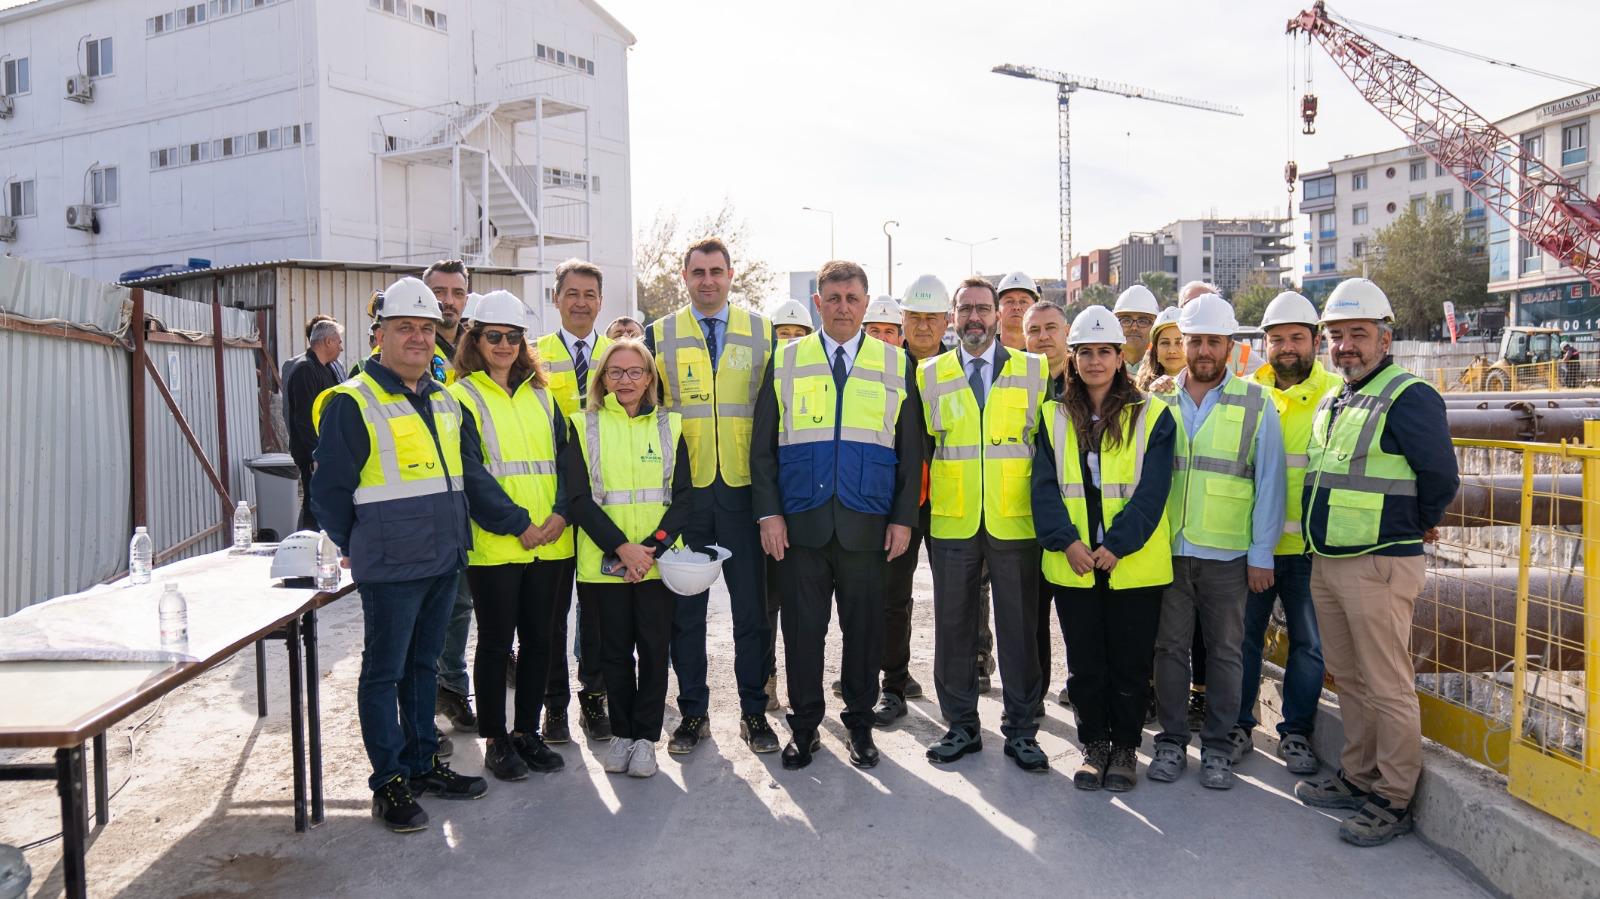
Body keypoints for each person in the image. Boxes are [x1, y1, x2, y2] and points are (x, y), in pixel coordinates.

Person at [310, 277, 545, 832]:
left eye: (425, 328)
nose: (417, 338)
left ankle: (422, 763)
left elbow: (458, 481)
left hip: (443, 559)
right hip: (391, 568)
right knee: (383, 673)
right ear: (379, 335)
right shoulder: (352, 402)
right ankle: (389, 781)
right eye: (404, 328)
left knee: (423, 670)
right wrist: (361, 545)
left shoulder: (442, 400)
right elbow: (327, 495)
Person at [1294, 278, 1458, 847]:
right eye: (1336, 336)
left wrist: (1414, 522)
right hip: (1331, 560)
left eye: (1357, 335)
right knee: (1353, 681)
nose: (1345, 346)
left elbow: (1440, 476)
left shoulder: (1408, 395)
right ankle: (1358, 776)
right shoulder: (1337, 397)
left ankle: (1392, 797)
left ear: (1384, 339)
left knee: (1387, 685)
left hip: (1379, 564)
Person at [752, 259, 923, 771]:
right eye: (834, 298)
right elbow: (763, 448)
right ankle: (804, 729)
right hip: (801, 523)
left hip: (867, 524)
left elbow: (910, 451)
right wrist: (769, 515)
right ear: (818, 303)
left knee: (865, 632)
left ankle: (860, 726)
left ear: (866, 305)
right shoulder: (785, 360)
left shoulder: (896, 363)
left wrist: (902, 518)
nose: (843, 307)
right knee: (803, 632)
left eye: (853, 298)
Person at [1146, 293, 1285, 792]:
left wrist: (1262, 553)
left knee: (1226, 653)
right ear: (1182, 344)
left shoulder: (1256, 402)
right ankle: (1169, 740)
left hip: (1228, 554)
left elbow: (1270, 484)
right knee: (1168, 649)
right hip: (1168, 550)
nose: (1203, 350)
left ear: (1229, 346)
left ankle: (1219, 746)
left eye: (1213, 342)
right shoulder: (1158, 399)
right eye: (1194, 341)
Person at [1033, 306, 1175, 791]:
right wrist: (1068, 543)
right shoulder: (1052, 415)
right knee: (1086, 664)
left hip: (1131, 565)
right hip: (1075, 563)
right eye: (1085, 352)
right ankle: (1094, 746)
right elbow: (1044, 489)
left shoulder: (1152, 414)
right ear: (1072, 359)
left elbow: (1153, 493)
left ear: (1120, 357)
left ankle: (1125, 751)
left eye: (1104, 352)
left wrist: (1115, 546)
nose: (1095, 361)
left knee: (1130, 666)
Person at [647, 237, 779, 756]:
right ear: (684, 276)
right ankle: (693, 713)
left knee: (751, 612)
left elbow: (774, 418)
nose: (707, 280)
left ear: (731, 275)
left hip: (745, 494)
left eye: (716, 271)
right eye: (698, 271)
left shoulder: (762, 332)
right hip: (688, 496)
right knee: (687, 613)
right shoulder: (659, 335)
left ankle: (753, 711)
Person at [919, 276, 1050, 771]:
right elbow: (922, 451)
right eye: (965, 309)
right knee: (953, 629)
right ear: (953, 317)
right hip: (953, 523)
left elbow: (1049, 451)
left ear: (998, 316)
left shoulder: (1035, 371)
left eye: (983, 308)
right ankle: (961, 726)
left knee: (1019, 629)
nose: (974, 317)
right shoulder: (929, 375)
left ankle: (1021, 729)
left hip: (1015, 522)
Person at [447, 290, 572, 783]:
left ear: (524, 342)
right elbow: (471, 473)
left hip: (553, 542)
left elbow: (568, 463)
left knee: (542, 641)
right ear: (475, 339)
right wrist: (519, 523)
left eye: (513, 337)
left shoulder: (544, 397)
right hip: (499, 545)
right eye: (493, 336)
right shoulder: (461, 397)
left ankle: (528, 733)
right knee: (497, 645)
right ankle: (497, 739)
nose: (503, 345)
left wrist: (561, 514)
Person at [563, 339, 695, 779]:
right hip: (605, 565)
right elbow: (579, 499)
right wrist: (622, 548)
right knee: (613, 653)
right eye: (615, 373)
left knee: (655, 652)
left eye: (635, 372)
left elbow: (683, 500)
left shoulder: (670, 425)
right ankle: (621, 733)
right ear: (601, 379)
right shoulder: (582, 425)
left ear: (650, 378)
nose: (625, 381)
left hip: (657, 563)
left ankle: (646, 739)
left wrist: (650, 548)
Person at [1233, 292, 1340, 776]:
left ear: (1315, 340)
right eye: (1277, 339)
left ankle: (1294, 733)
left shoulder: (1337, 393)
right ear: (1265, 343)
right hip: (1253, 545)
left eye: (1297, 337)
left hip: (1308, 548)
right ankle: (1238, 724)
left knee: (1309, 645)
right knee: (1242, 639)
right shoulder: (1244, 391)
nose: (1286, 347)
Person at [534, 259, 613, 744]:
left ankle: (594, 697)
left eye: (589, 294)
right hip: (555, 502)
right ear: (556, 298)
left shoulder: (622, 353)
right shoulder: (531, 355)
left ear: (601, 301)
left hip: (607, 501)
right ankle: (554, 706)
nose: (581, 302)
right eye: (572, 293)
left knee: (598, 610)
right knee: (549, 612)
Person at [865, 274, 949, 722]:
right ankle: (892, 685)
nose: (922, 326)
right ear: (903, 321)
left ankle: (954, 689)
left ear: (945, 321)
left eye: (931, 318)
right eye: (914, 317)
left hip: (949, 501)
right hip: (897, 502)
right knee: (892, 597)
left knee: (953, 598)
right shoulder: (883, 367)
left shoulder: (956, 370)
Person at [421, 260, 480, 738]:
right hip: (422, 499)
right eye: (438, 291)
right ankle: (423, 710)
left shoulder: (475, 346)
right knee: (426, 608)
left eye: (457, 292)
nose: (448, 300)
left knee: (460, 604)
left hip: (471, 491)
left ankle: (453, 690)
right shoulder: (410, 345)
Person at [761, 296, 817, 708]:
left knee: (801, 610)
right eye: (783, 335)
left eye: (799, 335)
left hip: (804, 512)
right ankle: (767, 678)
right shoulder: (767, 377)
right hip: (768, 510)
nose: (791, 342)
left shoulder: (816, 383)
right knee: (765, 604)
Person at [1023, 300, 1072, 708]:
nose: (1043, 338)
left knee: (1078, 614)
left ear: (1067, 332)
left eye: (1051, 328)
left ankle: (1080, 685)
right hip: (1027, 517)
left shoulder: (1090, 377)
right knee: (1032, 615)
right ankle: (1032, 694)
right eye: (1034, 331)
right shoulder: (1016, 380)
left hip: (1079, 517)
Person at [285, 318, 344, 531]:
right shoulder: (304, 370)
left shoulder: (327, 370)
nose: (341, 347)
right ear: (328, 342)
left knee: (326, 502)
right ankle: (308, 546)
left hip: (327, 451)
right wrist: (315, 455)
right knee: (314, 502)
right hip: (313, 454)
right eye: (338, 341)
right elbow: (304, 420)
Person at [1112, 285, 1160, 374]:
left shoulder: (1166, 371)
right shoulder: (1103, 370)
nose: (1134, 327)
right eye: (1126, 320)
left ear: (1155, 327)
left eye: (1143, 321)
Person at [1135, 306, 1185, 393]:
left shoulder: (1209, 387)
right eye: (1165, 343)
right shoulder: (1140, 392)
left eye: (1179, 343)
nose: (1171, 350)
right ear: (1156, 351)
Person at [995, 271, 1039, 351]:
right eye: (1009, 301)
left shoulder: (1045, 355)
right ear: (997, 308)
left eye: (1023, 302)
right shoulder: (983, 353)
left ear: (1035, 308)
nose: (1016, 307)